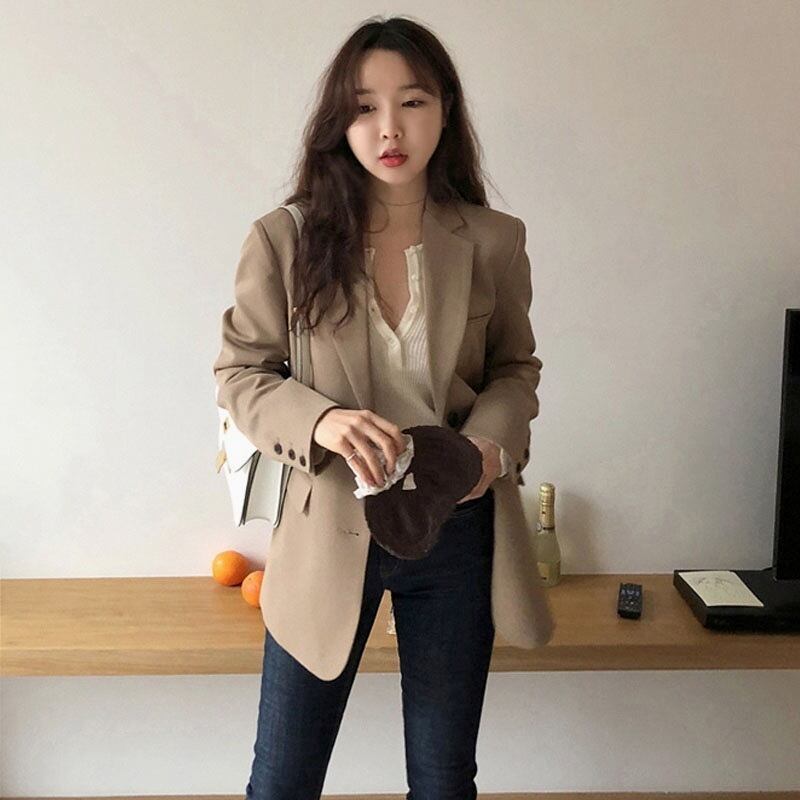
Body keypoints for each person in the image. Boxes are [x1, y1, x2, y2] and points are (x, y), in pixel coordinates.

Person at [212, 14, 555, 799]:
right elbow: (241, 373)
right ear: (340, 120)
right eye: (365, 106)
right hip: (329, 526)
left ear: (446, 111)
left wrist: (489, 447)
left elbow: (515, 369)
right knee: (283, 780)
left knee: (443, 779)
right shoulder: (285, 239)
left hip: (456, 524)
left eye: (413, 102)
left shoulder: (494, 240)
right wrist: (322, 421)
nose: (390, 128)